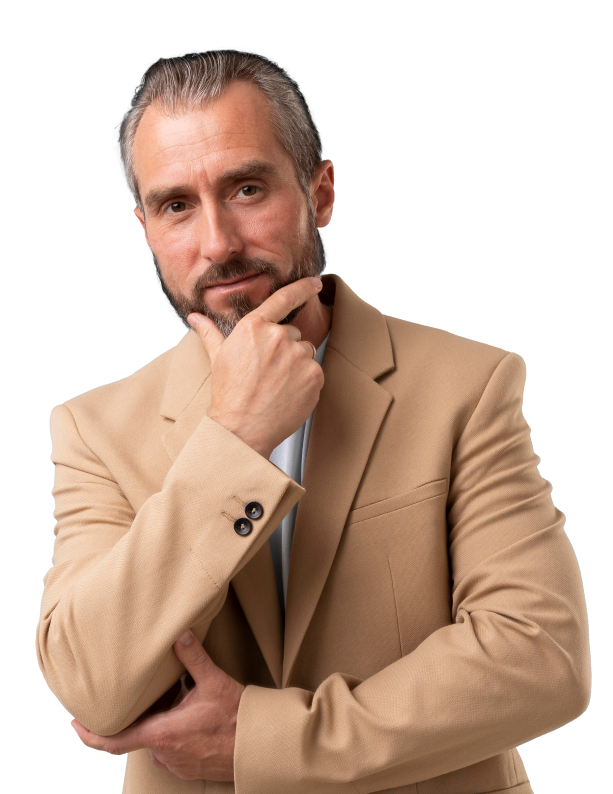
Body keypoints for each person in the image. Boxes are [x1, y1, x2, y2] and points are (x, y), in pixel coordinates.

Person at [38, 49, 590, 793]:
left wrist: (263, 741)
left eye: (246, 189)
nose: (218, 243)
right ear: (144, 228)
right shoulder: (95, 428)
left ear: (320, 192)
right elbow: (92, 687)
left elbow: (540, 658)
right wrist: (235, 438)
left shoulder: (467, 386)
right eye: (176, 206)